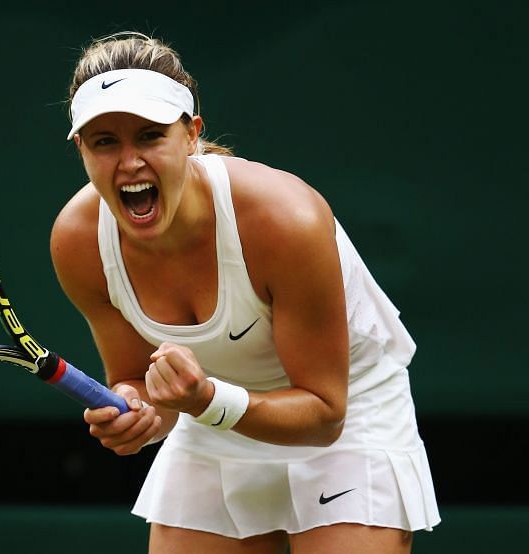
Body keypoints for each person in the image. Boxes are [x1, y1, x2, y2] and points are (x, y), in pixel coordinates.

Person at [50, 31, 440, 553]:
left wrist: (205, 399)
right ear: (80, 149)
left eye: (149, 136)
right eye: (105, 142)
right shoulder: (79, 243)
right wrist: (137, 411)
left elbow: (325, 414)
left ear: (192, 135)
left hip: (346, 425)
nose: (129, 162)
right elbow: (137, 382)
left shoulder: (285, 219)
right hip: (212, 426)